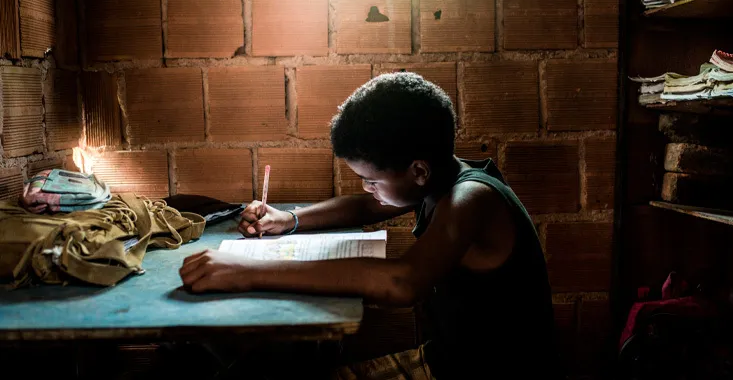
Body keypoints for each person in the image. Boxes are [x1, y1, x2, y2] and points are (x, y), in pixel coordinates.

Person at [179, 72, 560, 379]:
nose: (368, 188)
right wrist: (290, 219)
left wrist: (248, 271)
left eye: (372, 179)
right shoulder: (435, 180)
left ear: (418, 171)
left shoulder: (470, 199)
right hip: (451, 360)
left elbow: (403, 281)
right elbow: (365, 207)